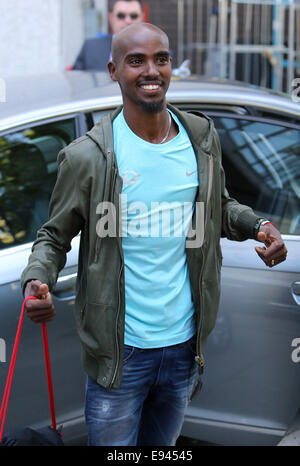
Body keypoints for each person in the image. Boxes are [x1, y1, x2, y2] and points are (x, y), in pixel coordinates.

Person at [21, 23, 288, 446]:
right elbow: (53, 237)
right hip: (120, 354)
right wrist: (38, 280)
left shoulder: (201, 138)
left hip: (184, 348)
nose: (151, 70)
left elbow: (218, 207)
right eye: (136, 61)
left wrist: (259, 226)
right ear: (114, 70)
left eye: (161, 59)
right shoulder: (88, 156)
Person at [72, 0, 144, 71]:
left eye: (134, 16)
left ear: (142, 17)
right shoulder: (90, 48)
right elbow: (75, 79)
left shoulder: (153, 49)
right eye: (121, 16)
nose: (128, 21)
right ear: (110, 18)